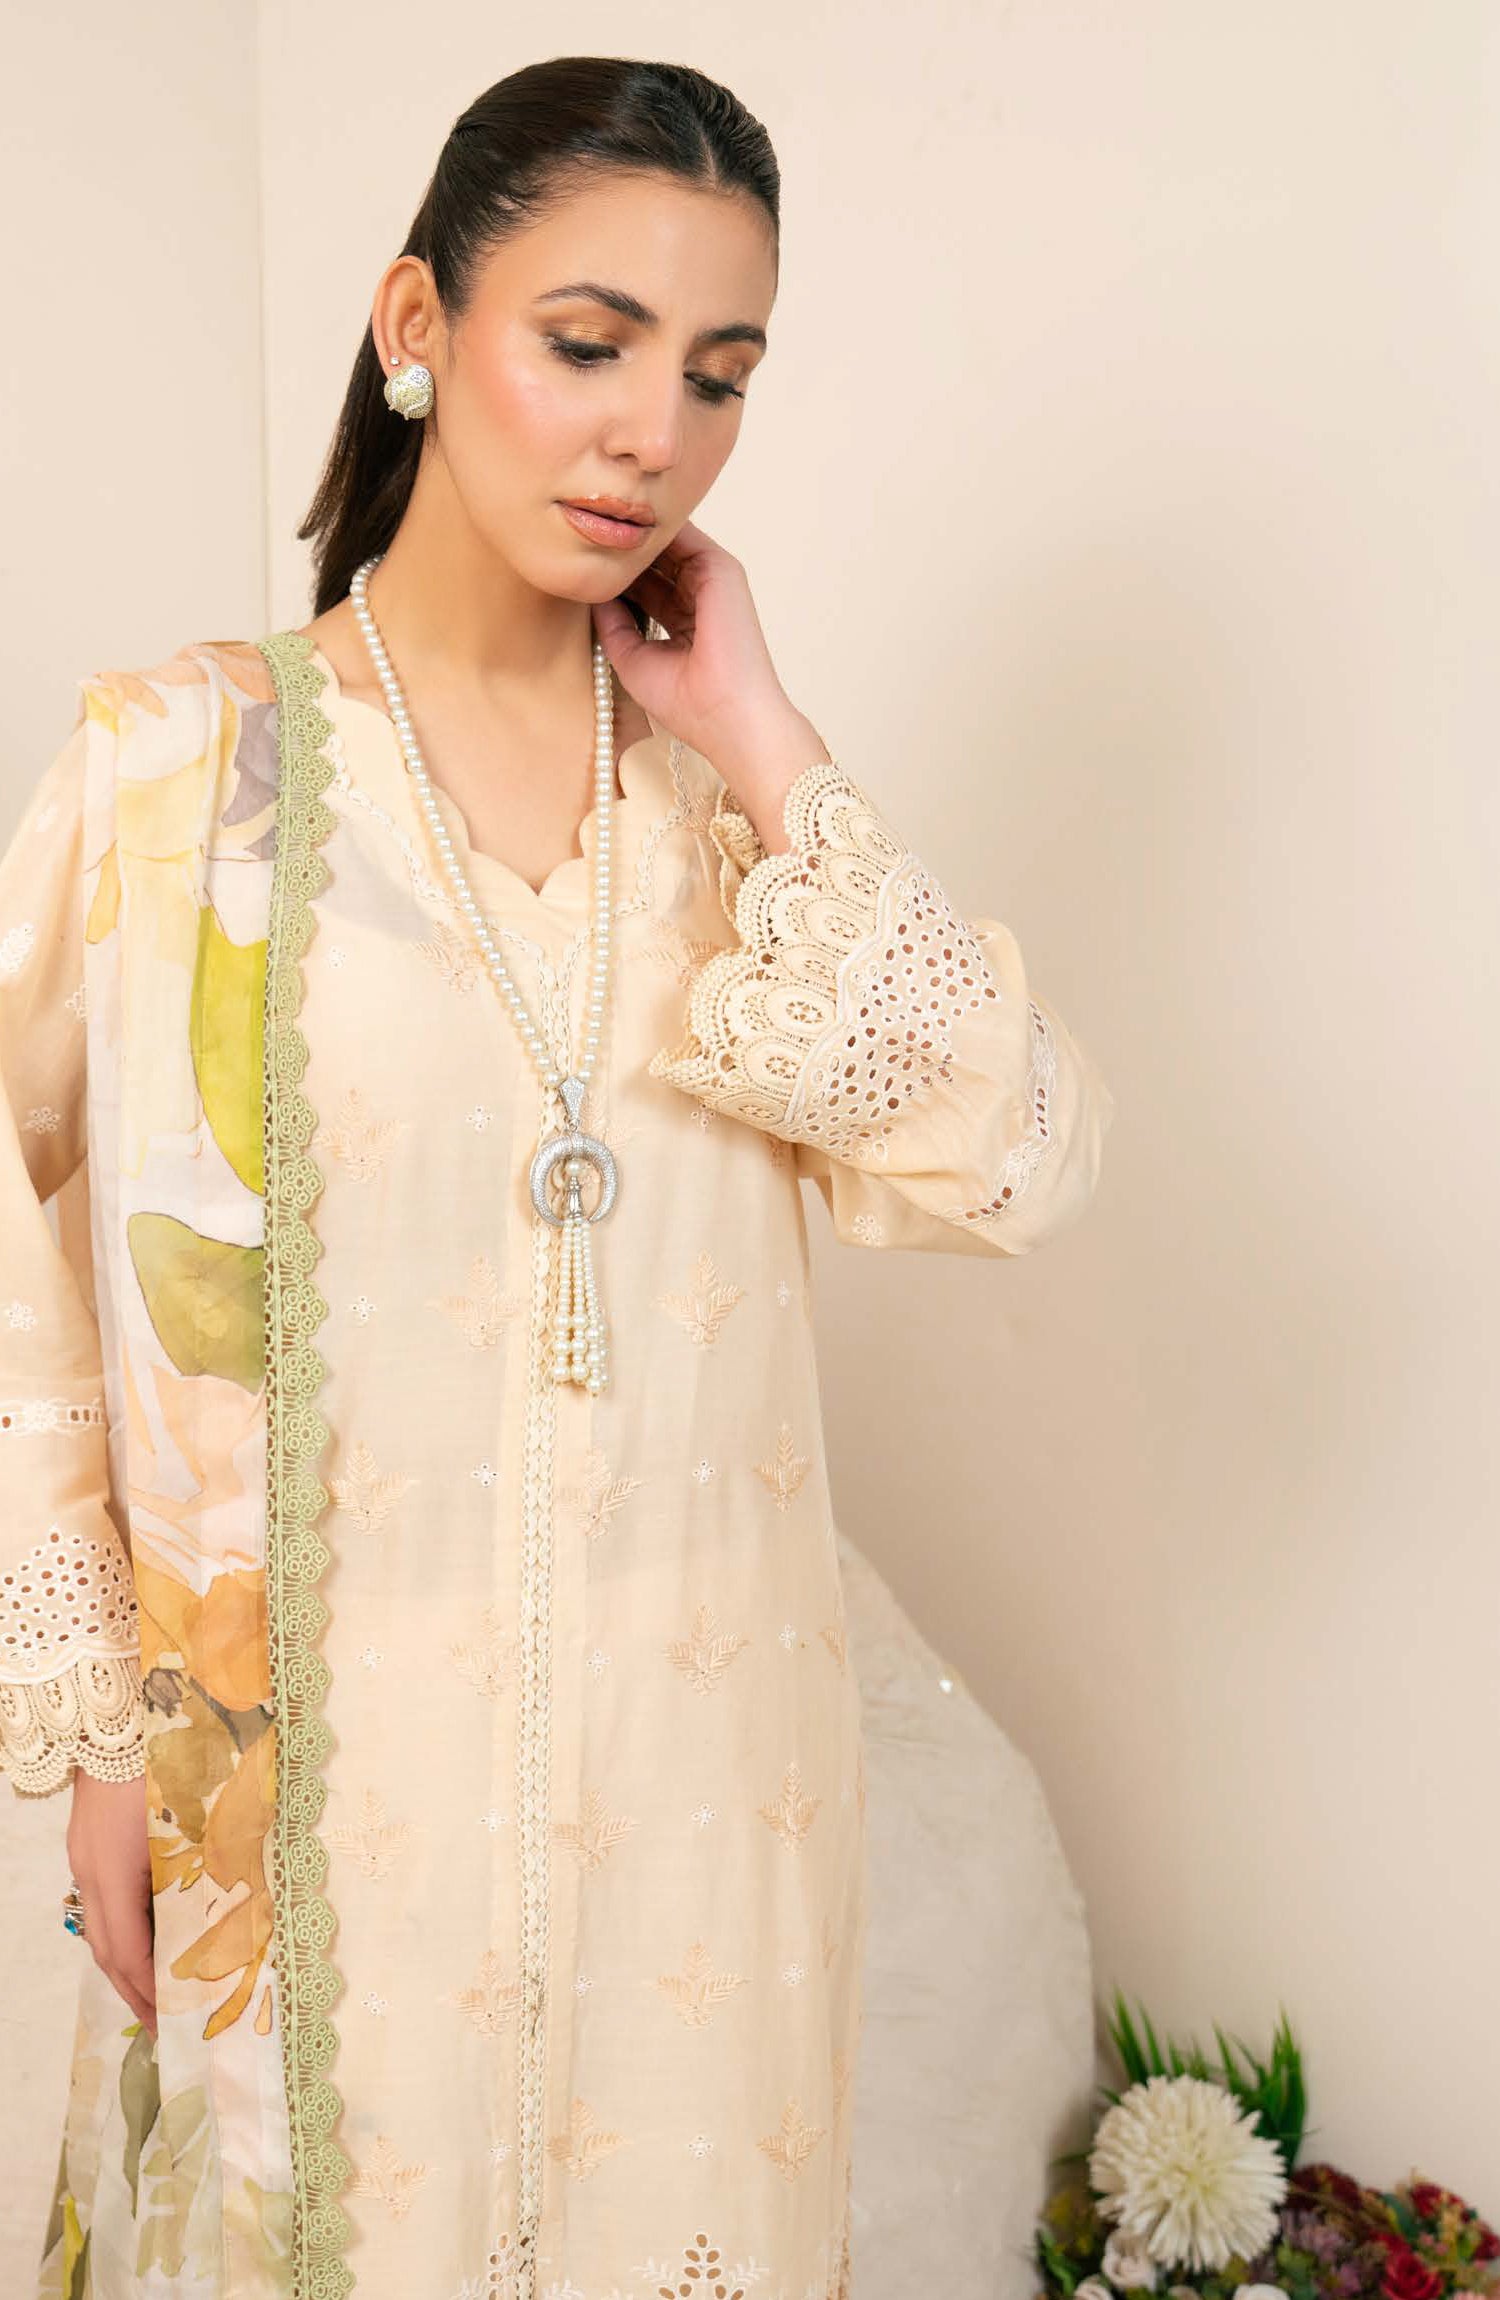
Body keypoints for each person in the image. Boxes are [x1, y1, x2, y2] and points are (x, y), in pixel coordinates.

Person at [1, 54, 1114, 2300]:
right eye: (590, 343)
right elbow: (19, 1248)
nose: (651, 437)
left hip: (701, 1834)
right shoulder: (179, 775)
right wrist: (112, 1729)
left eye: (719, 376)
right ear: (417, 324)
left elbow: (1023, 1155)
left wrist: (769, 738)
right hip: (307, 1825)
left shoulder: (728, 841)